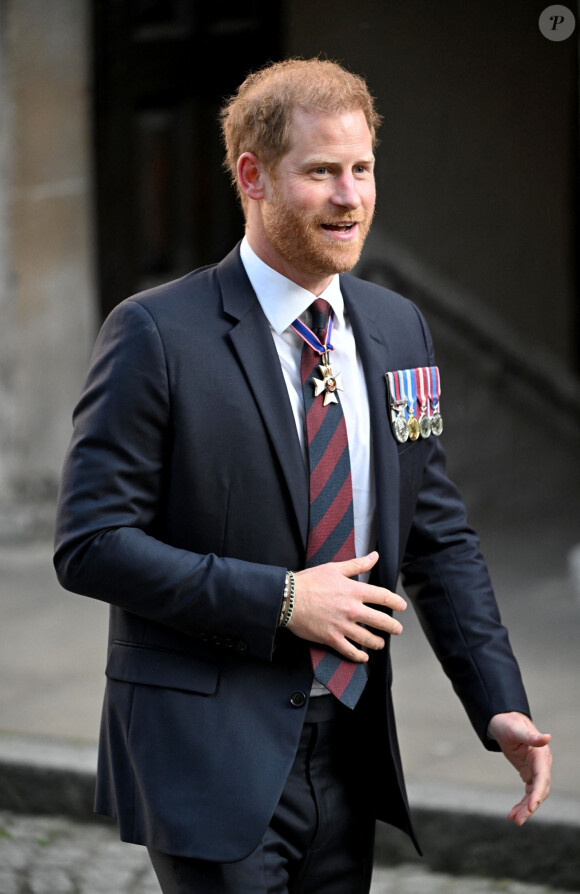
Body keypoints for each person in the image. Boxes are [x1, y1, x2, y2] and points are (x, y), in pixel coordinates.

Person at [54, 58, 552, 894]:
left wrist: (497, 700)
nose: (350, 197)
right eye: (321, 172)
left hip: (352, 751)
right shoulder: (154, 334)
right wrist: (284, 599)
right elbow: (92, 544)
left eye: (361, 170)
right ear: (253, 176)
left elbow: (435, 531)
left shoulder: (399, 331)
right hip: (206, 749)